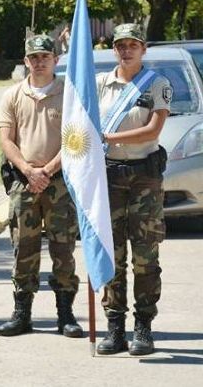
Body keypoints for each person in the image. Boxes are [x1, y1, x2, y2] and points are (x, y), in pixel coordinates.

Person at [0, 34, 82, 338]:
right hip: (24, 182)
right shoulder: (13, 95)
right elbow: (6, 139)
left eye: (46, 56)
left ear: (56, 60)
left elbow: (75, 138)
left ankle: (66, 314)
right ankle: (22, 314)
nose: (40, 61)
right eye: (34, 57)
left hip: (59, 182)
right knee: (24, 250)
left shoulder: (69, 93)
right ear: (26, 61)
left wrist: (46, 170)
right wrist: (28, 170)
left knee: (64, 250)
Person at [96, 23, 170, 356]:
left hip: (144, 177)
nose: (127, 50)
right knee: (112, 255)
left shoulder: (157, 84)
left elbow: (152, 129)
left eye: (133, 45)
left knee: (145, 255)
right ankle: (114, 327)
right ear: (114, 50)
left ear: (144, 48)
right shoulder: (99, 85)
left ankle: (143, 326)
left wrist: (108, 138)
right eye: (121, 45)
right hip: (110, 177)